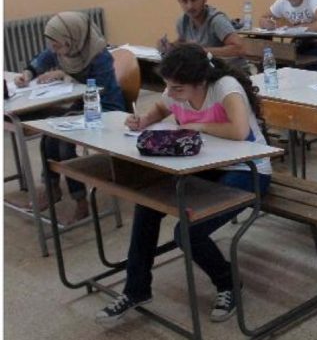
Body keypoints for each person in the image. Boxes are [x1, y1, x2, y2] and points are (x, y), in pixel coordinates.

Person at [96, 43, 272, 324]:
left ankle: (228, 282)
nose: (170, 92)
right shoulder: (177, 89)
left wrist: (197, 126)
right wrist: (144, 120)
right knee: (147, 204)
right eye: (168, 86)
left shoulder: (225, 87)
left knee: (188, 232)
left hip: (249, 169)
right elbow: (160, 106)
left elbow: (240, 131)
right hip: (205, 165)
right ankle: (136, 289)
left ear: (200, 82)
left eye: (177, 88)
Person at [18, 12, 125, 222]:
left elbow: (97, 88)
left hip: (105, 108)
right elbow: (43, 59)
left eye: (58, 45)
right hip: (83, 104)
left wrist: (64, 75)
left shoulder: (99, 55)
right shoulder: (64, 48)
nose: (55, 50)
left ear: (72, 38)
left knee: (65, 143)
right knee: (48, 136)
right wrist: (27, 74)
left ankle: (81, 201)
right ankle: (52, 188)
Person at [159, 0, 247, 70]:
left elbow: (240, 48)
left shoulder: (216, 20)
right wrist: (170, 47)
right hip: (206, 73)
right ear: (179, 1)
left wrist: (201, 51)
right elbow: (183, 43)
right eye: (184, 1)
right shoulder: (182, 21)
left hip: (232, 73)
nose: (189, 6)